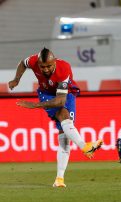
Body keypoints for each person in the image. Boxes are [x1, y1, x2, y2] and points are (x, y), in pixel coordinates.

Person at [8, 48, 103, 188]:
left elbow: (60, 101)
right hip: (46, 94)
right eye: (42, 67)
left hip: (65, 95)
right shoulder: (34, 60)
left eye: (49, 66)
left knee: (64, 134)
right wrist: (16, 79)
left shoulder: (64, 68)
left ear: (55, 62)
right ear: (38, 63)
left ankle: (59, 179)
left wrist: (35, 106)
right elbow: (23, 63)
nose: (45, 69)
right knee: (63, 117)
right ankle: (85, 146)